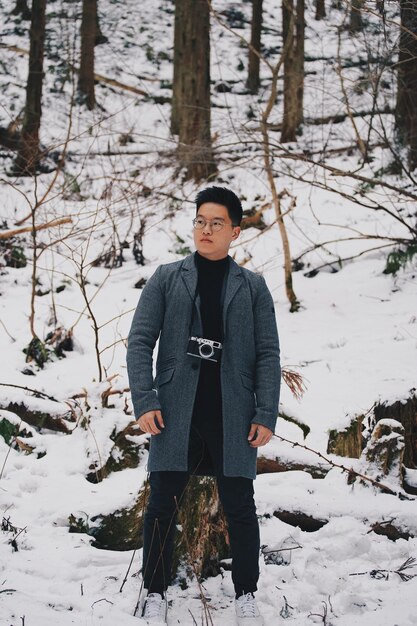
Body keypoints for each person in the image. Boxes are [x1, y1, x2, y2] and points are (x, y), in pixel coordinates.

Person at [126, 186, 281, 625]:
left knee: (240, 506)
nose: (206, 229)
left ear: (235, 230)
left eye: (216, 223)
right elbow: (139, 342)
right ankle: (154, 592)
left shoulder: (252, 287)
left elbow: (268, 352)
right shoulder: (166, 277)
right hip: (174, 410)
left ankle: (246, 596)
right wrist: (145, 399)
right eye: (200, 221)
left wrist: (265, 412)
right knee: (161, 504)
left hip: (231, 411)